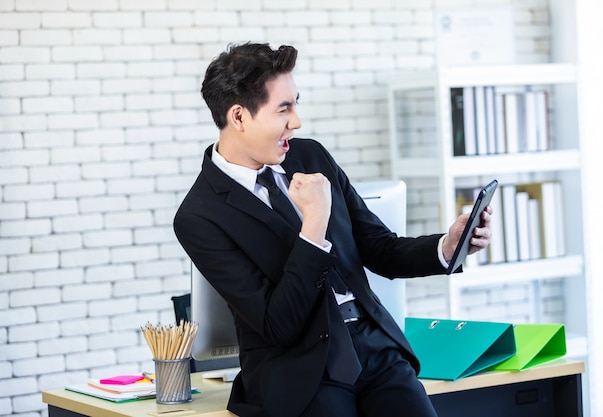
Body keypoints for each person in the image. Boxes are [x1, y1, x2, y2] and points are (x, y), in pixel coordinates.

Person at [173, 42, 492, 417]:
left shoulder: (310, 155)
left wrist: (446, 246)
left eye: (296, 103)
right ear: (239, 117)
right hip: (302, 371)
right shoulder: (200, 215)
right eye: (284, 109)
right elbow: (278, 325)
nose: (297, 121)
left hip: (376, 349)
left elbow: (378, 247)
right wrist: (314, 225)